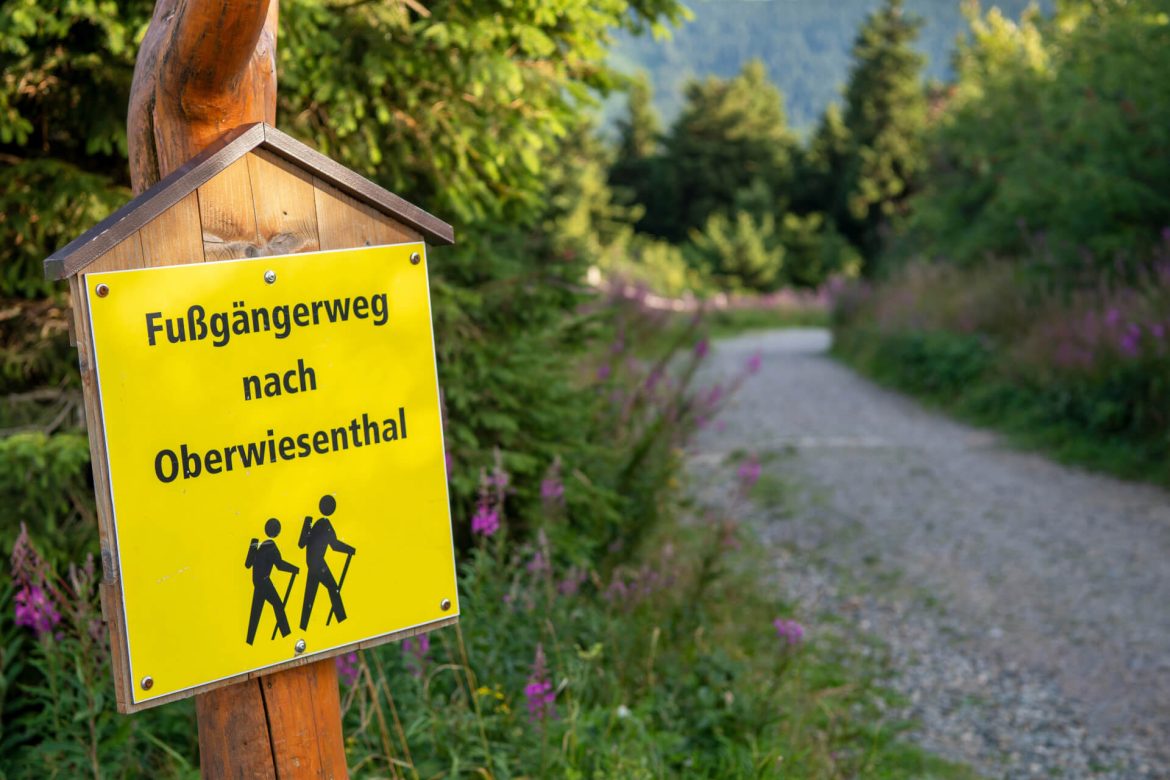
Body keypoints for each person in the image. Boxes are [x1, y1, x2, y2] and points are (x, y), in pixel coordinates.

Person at [298, 495, 355, 630]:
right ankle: (342, 621)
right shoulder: (324, 524)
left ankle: (303, 626)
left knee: (309, 596)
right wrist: (350, 550)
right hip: (318, 563)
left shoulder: (316, 524)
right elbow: (334, 545)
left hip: (311, 562)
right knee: (333, 588)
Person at [245, 518, 298, 645]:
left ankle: (249, 640)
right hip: (264, 582)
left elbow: (248, 564)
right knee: (278, 605)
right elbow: (279, 565)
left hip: (257, 582)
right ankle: (287, 636)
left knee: (256, 612)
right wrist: (295, 569)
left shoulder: (259, 545)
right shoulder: (271, 547)